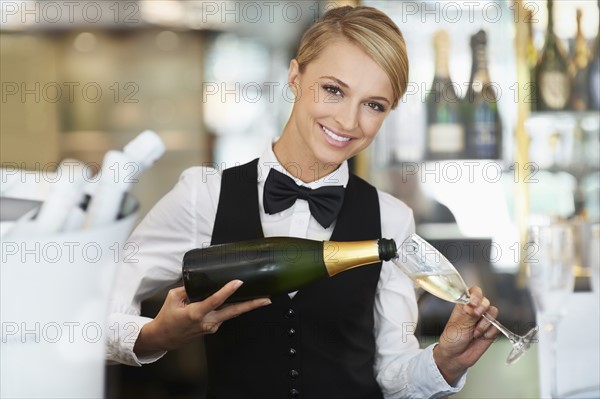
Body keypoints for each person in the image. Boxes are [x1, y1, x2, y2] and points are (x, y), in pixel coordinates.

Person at [106, 5, 499, 399]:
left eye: (374, 105)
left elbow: (391, 373)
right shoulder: (203, 196)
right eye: (333, 90)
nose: (348, 121)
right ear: (295, 76)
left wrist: (446, 361)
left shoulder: (392, 220)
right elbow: (97, 316)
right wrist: (156, 335)